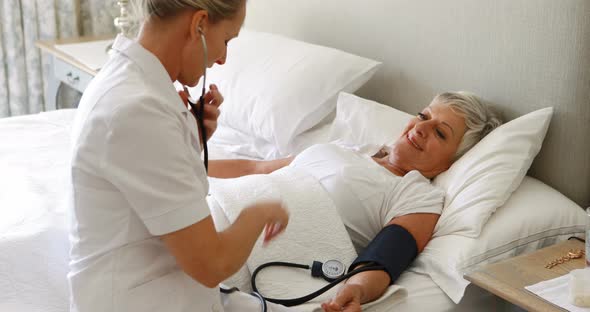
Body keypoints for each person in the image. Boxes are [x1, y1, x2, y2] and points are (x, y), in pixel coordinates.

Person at [67, 1, 291, 312]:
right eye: (226, 39)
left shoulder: (128, 85)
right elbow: (212, 264)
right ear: (198, 23)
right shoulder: (138, 110)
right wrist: (261, 211)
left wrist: (191, 142)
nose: (223, 58)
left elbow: (152, 187)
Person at [210, 91, 502, 311]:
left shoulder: (417, 195)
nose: (422, 128)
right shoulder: (349, 146)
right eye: (424, 116)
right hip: (217, 207)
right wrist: (183, 168)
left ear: (452, 162)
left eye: (440, 132)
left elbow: (383, 258)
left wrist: (357, 292)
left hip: (243, 249)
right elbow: (256, 169)